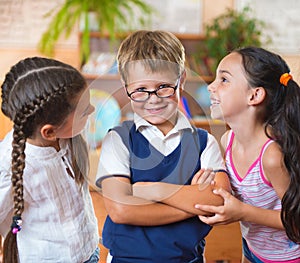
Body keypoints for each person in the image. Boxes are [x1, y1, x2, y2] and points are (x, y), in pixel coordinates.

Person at [95, 30, 230, 263]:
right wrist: (195, 205)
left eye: (164, 87)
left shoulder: (204, 142)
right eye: (140, 90)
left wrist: (152, 190)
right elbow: (121, 210)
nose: (153, 99)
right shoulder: (117, 139)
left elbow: (219, 201)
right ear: (125, 85)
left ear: (182, 79)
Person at [195, 46, 300, 262]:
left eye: (224, 80)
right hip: (252, 249)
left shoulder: (271, 156)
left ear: (254, 95)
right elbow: (243, 195)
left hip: (287, 257)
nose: (211, 87)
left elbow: (296, 223)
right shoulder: (227, 140)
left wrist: (242, 212)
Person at [0, 57, 100, 263]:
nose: (92, 110)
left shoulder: (69, 137)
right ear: (49, 131)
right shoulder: (8, 166)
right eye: (83, 110)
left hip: (88, 250)